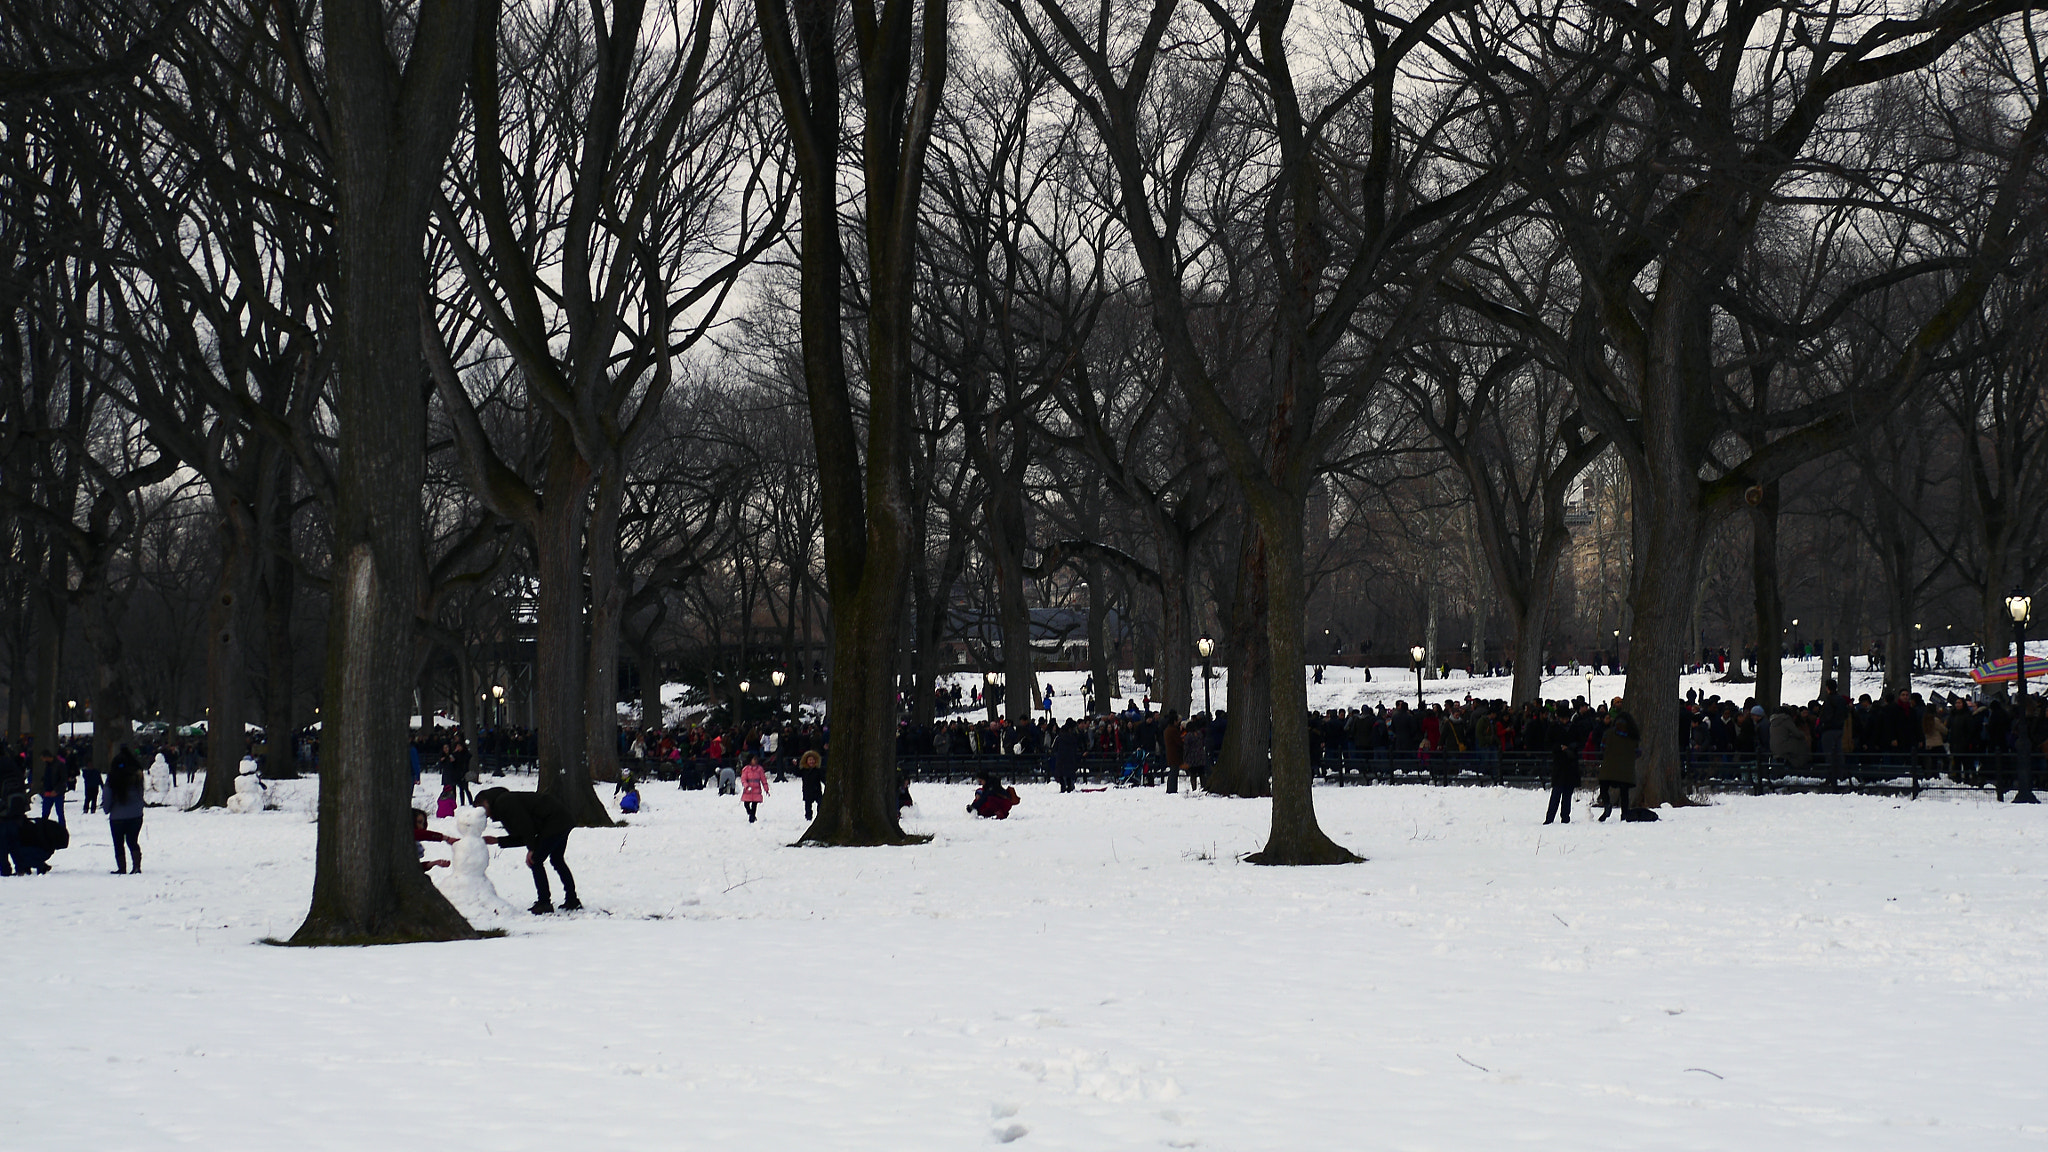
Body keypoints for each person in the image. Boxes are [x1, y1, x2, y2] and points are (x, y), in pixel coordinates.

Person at [474, 786, 580, 914]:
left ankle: (544, 902)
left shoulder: (504, 803)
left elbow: (526, 826)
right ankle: (572, 899)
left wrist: (532, 849)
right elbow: (522, 835)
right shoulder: (504, 802)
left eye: (482, 810)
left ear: (485, 802)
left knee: (535, 861)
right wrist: (497, 840)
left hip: (554, 821)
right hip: (561, 819)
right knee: (556, 860)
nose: (485, 815)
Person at [104, 749, 146, 874]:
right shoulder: (137, 778)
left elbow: (107, 795)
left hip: (117, 816)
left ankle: (122, 868)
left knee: (118, 843)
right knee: (133, 841)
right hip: (136, 815)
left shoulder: (112, 779)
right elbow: (141, 794)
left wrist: (107, 809)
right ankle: (137, 866)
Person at [1597, 699, 1639, 821]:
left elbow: (1602, 748)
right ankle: (1624, 813)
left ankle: (1607, 804)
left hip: (1609, 767)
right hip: (1625, 769)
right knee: (1624, 792)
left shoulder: (1608, 733)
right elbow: (1637, 752)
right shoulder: (1633, 735)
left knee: (1604, 787)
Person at [739, 755, 769, 822]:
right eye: (754, 759)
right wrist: (746, 786)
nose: (755, 761)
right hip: (748, 790)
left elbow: (763, 779)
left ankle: (752, 817)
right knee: (746, 804)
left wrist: (766, 789)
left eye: (756, 759)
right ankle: (750, 814)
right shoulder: (746, 769)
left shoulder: (760, 769)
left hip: (756, 790)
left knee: (754, 804)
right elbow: (743, 779)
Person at [798, 749, 825, 820]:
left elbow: (823, 778)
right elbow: (797, 772)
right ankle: (808, 816)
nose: (811, 762)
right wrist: (795, 765)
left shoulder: (818, 770)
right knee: (808, 805)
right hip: (807, 791)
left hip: (817, 790)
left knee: (820, 803)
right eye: (810, 760)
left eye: (813, 760)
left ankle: (820, 815)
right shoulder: (804, 770)